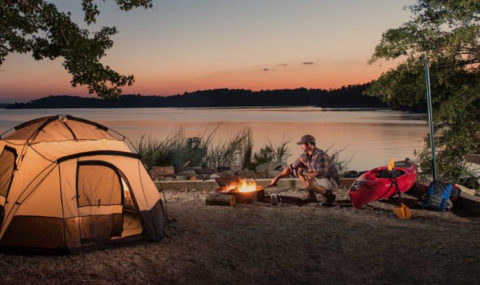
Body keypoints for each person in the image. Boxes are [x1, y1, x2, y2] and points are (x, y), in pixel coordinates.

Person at [270, 134, 339, 206]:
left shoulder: (320, 155)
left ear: (308, 144)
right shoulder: (304, 156)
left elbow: (320, 174)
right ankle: (311, 196)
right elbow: (290, 168)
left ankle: (328, 196)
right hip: (319, 179)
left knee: (308, 180)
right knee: (297, 170)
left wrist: (306, 173)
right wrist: (277, 178)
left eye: (302, 144)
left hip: (330, 181)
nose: (301, 147)